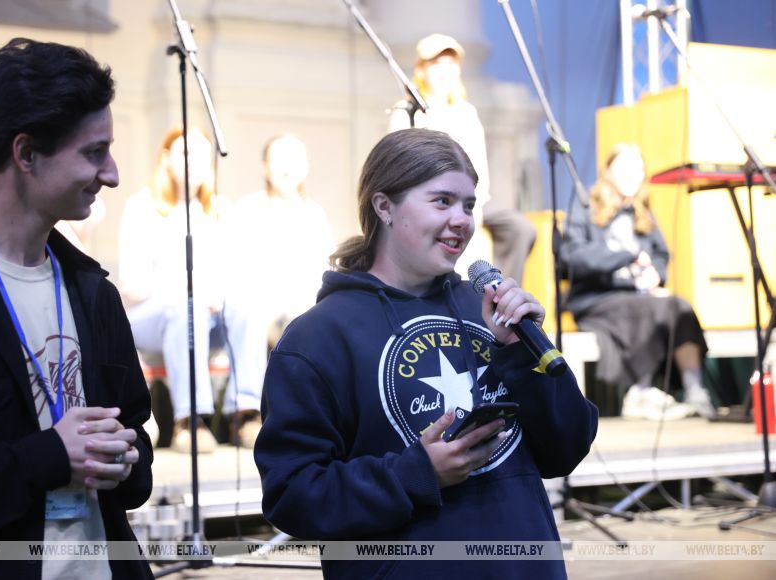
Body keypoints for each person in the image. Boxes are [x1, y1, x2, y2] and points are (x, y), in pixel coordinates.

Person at [254, 128, 598, 579]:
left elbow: (567, 448)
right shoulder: (316, 339)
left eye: (468, 205)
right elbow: (293, 496)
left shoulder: (490, 312)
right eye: (442, 201)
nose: (462, 220)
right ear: (384, 206)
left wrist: (520, 354)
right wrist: (416, 474)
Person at [0, 38, 153, 579]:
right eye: (94, 152)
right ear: (25, 154)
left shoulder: (95, 292)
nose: (111, 174)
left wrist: (125, 457)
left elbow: (137, 448)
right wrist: (46, 458)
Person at [118, 127, 267, 452]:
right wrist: (188, 286)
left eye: (201, 155)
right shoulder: (143, 206)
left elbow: (235, 275)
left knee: (247, 305)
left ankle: (245, 413)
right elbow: (131, 285)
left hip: (207, 318)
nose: (193, 161)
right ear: (166, 159)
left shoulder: (220, 209)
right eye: (185, 153)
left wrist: (218, 292)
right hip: (151, 317)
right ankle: (189, 419)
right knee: (186, 307)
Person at [561, 143, 716, 420]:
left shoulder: (642, 211)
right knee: (649, 310)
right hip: (598, 299)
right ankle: (639, 393)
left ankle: (695, 391)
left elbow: (660, 254)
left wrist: (656, 273)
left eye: (638, 168)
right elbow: (574, 256)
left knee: (679, 306)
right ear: (608, 171)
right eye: (625, 167)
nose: (633, 174)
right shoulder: (586, 206)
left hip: (639, 295)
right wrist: (628, 257)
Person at [388, 32, 537, 284]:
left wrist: (471, 206)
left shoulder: (466, 112)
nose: (444, 70)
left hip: (472, 196)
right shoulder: (406, 113)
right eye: (437, 63)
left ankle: (500, 290)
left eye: (451, 63)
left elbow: (479, 168)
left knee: (521, 229)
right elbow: (396, 169)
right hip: (431, 196)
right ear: (421, 70)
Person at [234, 134, 335, 346]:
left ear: (305, 167)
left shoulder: (315, 215)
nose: (287, 169)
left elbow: (325, 272)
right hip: (257, 310)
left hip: (304, 308)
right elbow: (238, 270)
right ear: (265, 167)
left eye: (294, 160)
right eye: (279, 161)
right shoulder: (248, 209)